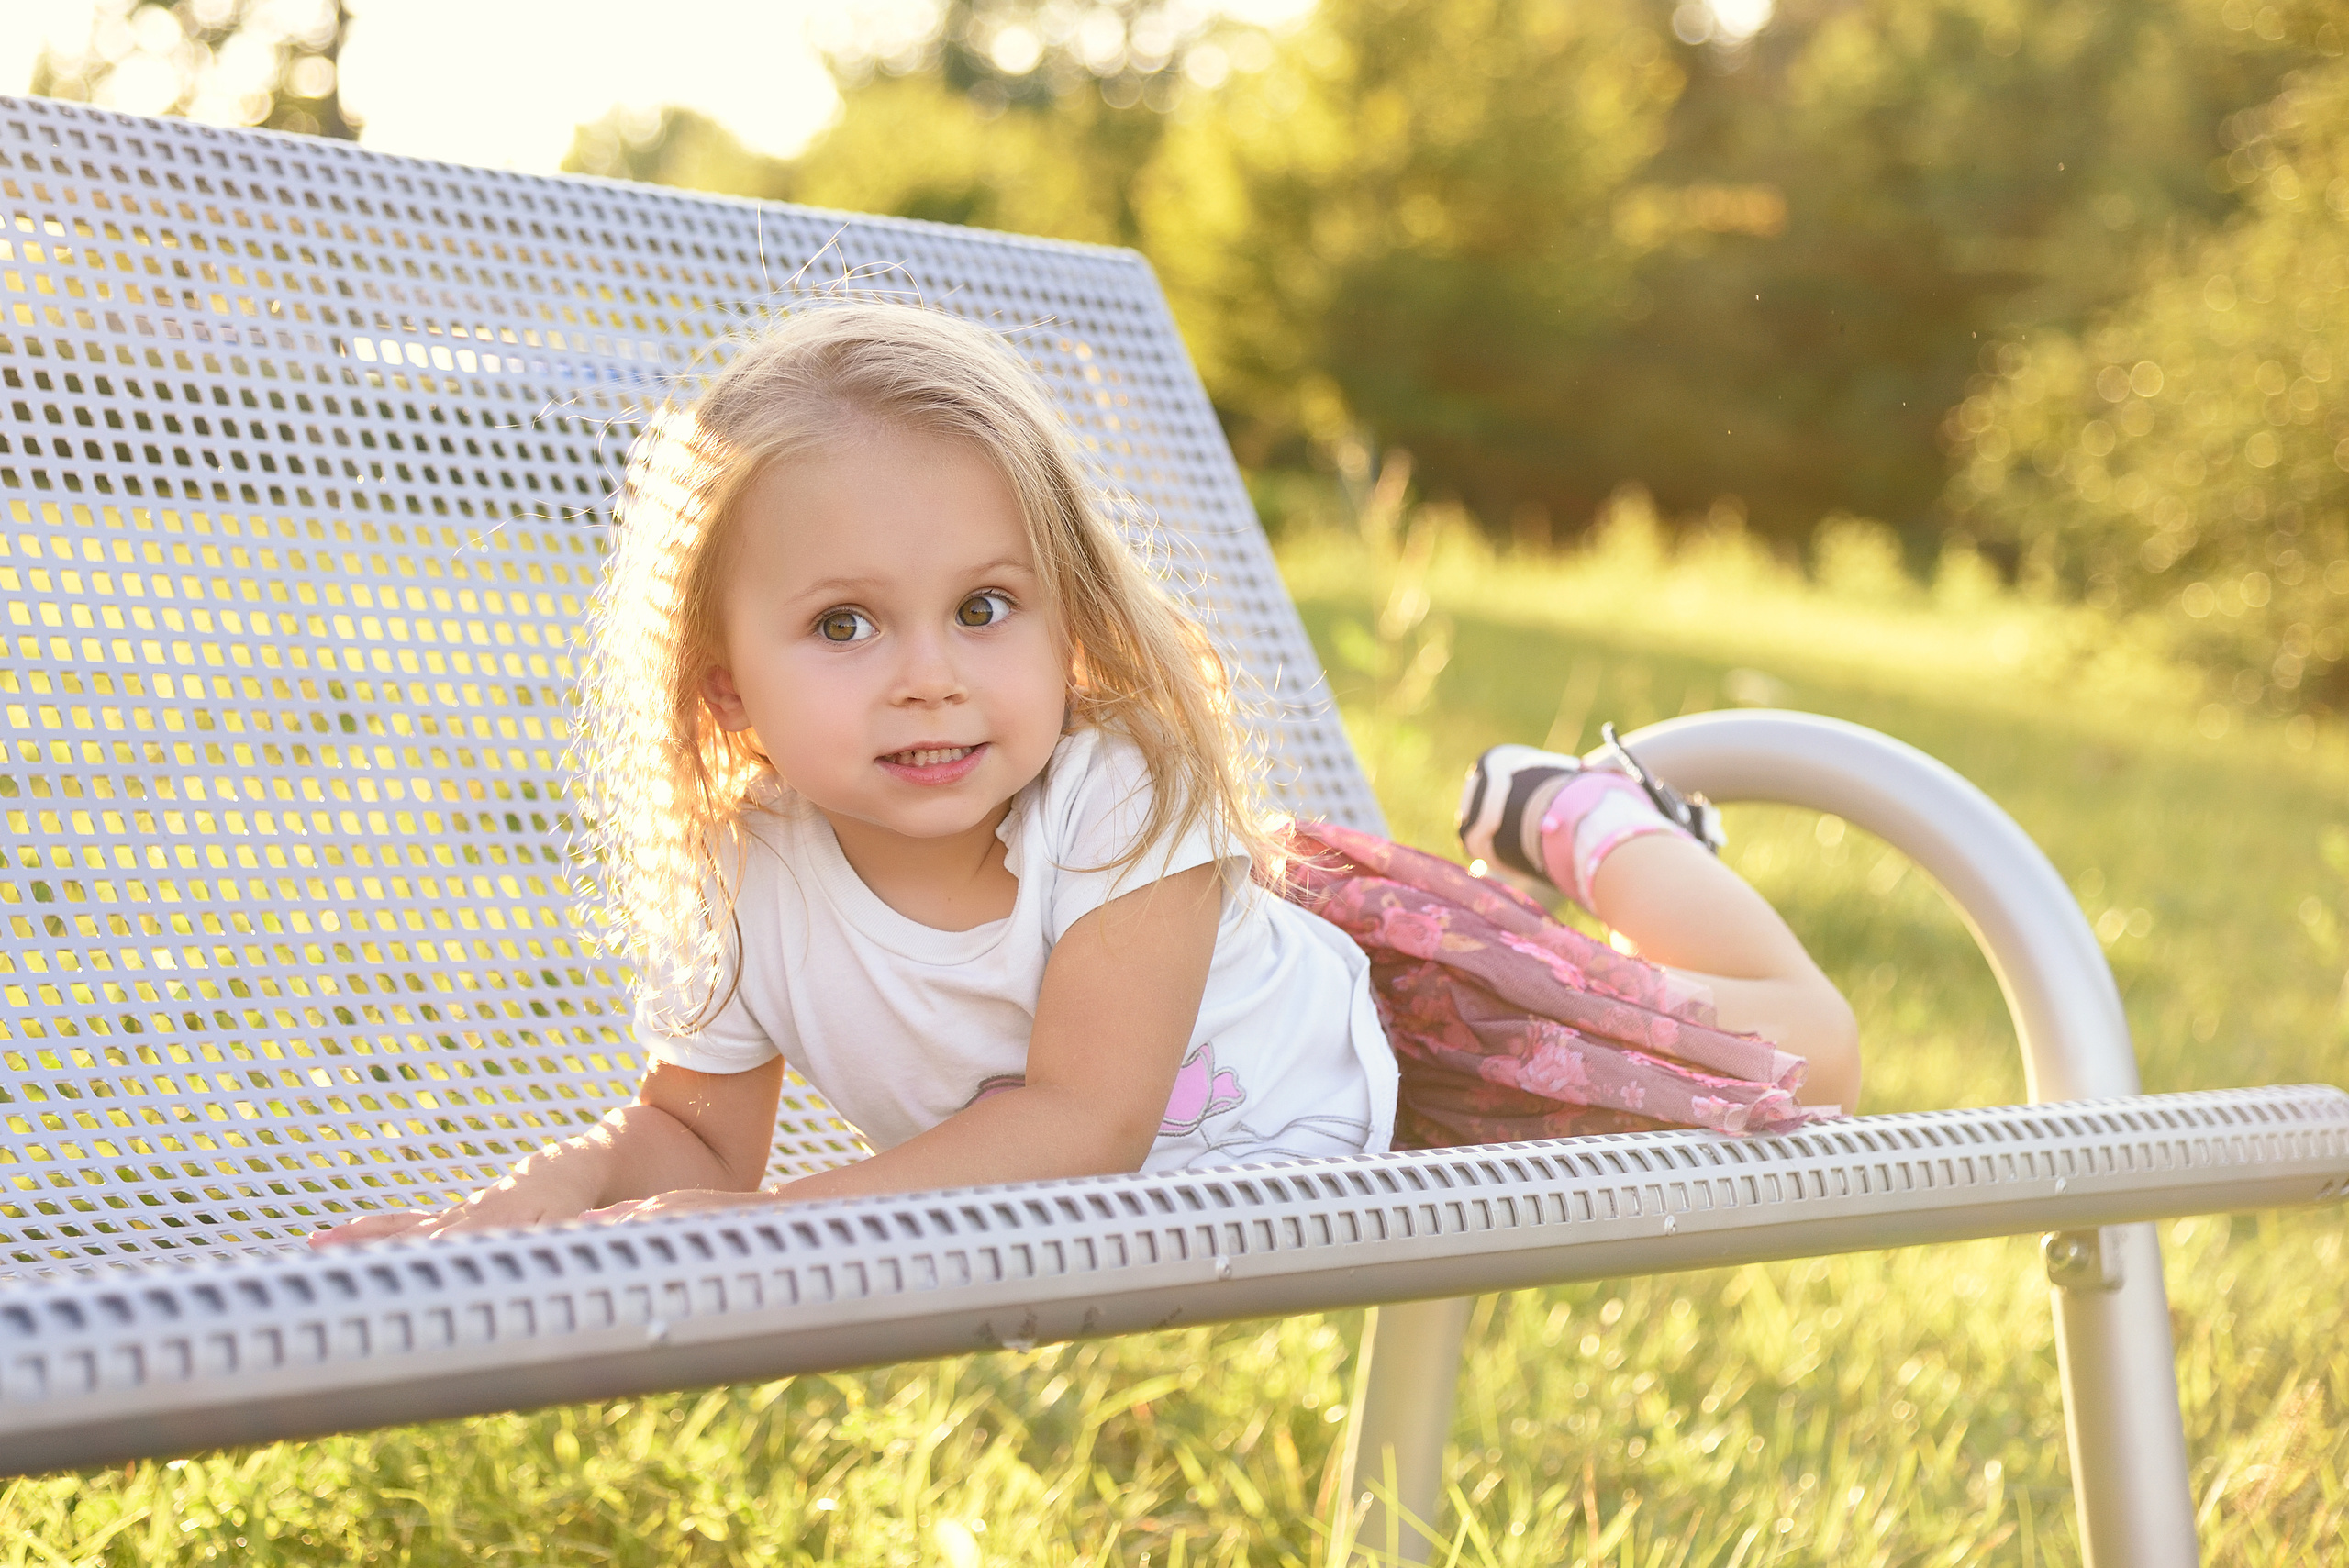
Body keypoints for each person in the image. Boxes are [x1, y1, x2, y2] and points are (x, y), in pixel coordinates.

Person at [308, 303, 1854, 1249]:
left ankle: (1589, 819)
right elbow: (699, 1143)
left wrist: (753, 1235)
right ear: (730, 692)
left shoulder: (1114, 786)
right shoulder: (746, 865)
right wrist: (528, 1209)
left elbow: (1082, 1122)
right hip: (1249, 1127)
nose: (930, 672)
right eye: (844, 623)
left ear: (1067, 621)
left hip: (1395, 1045)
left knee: (1815, 1059)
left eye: (985, 607)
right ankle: (1594, 832)